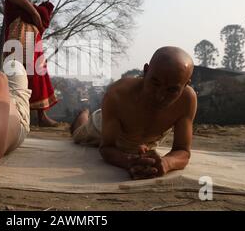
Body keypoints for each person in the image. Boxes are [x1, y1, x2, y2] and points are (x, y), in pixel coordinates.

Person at [71, 47, 197, 180]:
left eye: (172, 90)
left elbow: (183, 151)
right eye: (155, 83)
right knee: (78, 134)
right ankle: (83, 115)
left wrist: (166, 163)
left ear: (185, 85)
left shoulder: (187, 100)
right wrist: (128, 162)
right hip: (101, 125)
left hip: (144, 141)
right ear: (146, 71)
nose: (160, 96)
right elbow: (107, 147)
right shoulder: (118, 94)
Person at [3, 0, 58, 127]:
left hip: (30, 40)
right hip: (18, 39)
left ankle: (41, 116)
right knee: (21, 74)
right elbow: (34, 13)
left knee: (38, 72)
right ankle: (16, 115)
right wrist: (40, 24)